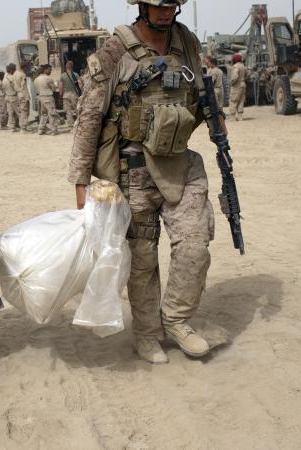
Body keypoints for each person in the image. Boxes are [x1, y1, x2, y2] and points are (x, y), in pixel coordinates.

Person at [68, 0, 224, 364]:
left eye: (171, 5)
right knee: (141, 261)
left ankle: (177, 320)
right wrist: (80, 180)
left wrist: (218, 124)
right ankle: (147, 334)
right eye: (158, 5)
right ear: (141, 5)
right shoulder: (114, 51)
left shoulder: (186, 41)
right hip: (132, 171)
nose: (166, 12)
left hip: (181, 163)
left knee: (195, 245)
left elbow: (201, 92)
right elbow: (89, 116)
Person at [34, 64, 60, 135]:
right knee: (52, 114)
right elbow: (54, 89)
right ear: (45, 70)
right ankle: (54, 130)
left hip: (41, 97)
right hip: (48, 97)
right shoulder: (48, 79)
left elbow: (37, 90)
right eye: (49, 70)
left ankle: (41, 129)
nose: (50, 71)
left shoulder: (36, 79)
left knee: (43, 114)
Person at [58, 60, 82, 125]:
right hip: (74, 94)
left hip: (66, 95)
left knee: (68, 110)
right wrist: (80, 92)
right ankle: (79, 122)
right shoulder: (76, 75)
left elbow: (60, 87)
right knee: (77, 109)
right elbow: (80, 84)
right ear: (72, 66)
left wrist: (61, 95)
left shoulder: (62, 75)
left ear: (66, 66)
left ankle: (70, 123)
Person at [3, 63, 20, 132]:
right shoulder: (12, 78)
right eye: (14, 69)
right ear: (12, 70)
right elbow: (16, 87)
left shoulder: (5, 76)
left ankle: (12, 127)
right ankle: (23, 126)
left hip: (7, 97)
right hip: (13, 97)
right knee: (19, 112)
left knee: (11, 113)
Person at [229, 53, 246, 121]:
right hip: (243, 84)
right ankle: (240, 116)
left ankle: (232, 117)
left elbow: (235, 76)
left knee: (233, 100)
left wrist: (232, 83)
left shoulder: (235, 66)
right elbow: (247, 74)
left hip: (237, 85)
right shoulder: (243, 66)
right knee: (241, 100)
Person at [14, 62, 31, 131]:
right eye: (27, 68)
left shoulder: (15, 73)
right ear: (25, 67)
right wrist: (26, 97)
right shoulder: (23, 75)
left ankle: (22, 127)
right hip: (23, 95)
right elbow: (23, 86)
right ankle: (23, 127)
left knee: (22, 111)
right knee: (25, 111)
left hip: (18, 94)